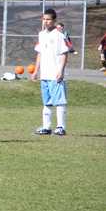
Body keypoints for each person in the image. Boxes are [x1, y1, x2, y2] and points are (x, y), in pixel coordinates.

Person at [31, 8, 69, 136]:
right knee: (46, 102)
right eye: (44, 19)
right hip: (45, 74)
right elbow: (40, 53)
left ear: (54, 20)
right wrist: (36, 71)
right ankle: (46, 127)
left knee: (59, 101)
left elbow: (64, 54)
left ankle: (60, 127)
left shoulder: (59, 35)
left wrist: (61, 71)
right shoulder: (41, 34)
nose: (46, 22)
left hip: (55, 74)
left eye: (48, 19)